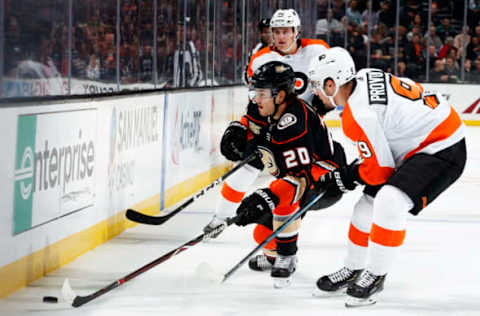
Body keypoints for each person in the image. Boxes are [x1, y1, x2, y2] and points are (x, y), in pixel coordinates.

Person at [307, 47, 466, 307]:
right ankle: (353, 268)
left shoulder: (358, 115)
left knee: (389, 201)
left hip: (442, 146)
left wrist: (347, 176)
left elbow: (379, 171)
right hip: (417, 139)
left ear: (331, 83)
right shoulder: (363, 77)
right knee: (365, 208)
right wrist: (353, 173)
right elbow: (381, 145)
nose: (314, 90)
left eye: (317, 84)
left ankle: (376, 275)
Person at [203, 8, 332, 275]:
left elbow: (329, 88)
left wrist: (323, 105)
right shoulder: (262, 57)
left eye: (286, 31)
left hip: (304, 131)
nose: (281, 36)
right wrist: (243, 126)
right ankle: (219, 219)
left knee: (289, 189)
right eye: (276, 31)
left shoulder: (318, 49)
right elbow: (256, 100)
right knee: (244, 169)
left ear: (297, 32)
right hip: (272, 124)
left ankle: (278, 253)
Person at [206, 61, 345, 288]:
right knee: (262, 234)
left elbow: (297, 182)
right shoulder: (265, 106)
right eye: (255, 92)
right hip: (297, 173)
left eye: (261, 93)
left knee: (283, 196)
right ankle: (264, 249)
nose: (255, 99)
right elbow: (251, 123)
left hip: (324, 179)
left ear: (280, 96)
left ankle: (287, 257)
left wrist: (266, 197)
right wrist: (238, 129)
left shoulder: (295, 124)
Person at [173, 18, 203, 87]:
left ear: (188, 32)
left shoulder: (190, 47)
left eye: (182, 30)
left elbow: (198, 75)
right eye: (178, 30)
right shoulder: (179, 47)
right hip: (177, 91)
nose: (179, 33)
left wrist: (188, 87)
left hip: (184, 92)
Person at [243, 18, 272, 84]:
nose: (267, 35)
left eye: (269, 32)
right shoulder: (256, 51)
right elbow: (247, 74)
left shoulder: (284, 48)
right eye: (264, 32)